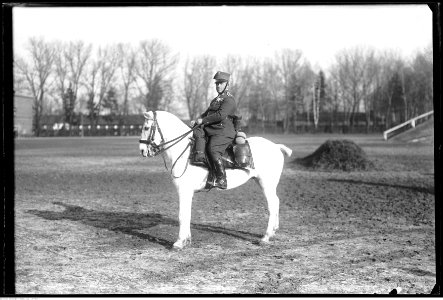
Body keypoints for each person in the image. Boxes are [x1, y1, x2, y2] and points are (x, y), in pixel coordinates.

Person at [190, 71, 237, 189]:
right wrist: (198, 120)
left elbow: (220, 115)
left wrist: (204, 121)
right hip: (213, 129)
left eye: (221, 83)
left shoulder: (229, 100)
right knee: (196, 134)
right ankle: (199, 158)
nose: (218, 86)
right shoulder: (215, 100)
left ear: (227, 84)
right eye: (217, 83)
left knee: (213, 148)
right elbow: (206, 113)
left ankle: (222, 179)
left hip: (224, 131)